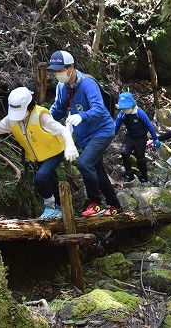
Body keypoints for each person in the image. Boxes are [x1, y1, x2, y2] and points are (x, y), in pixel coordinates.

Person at [0, 87, 79, 219]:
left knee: (41, 178)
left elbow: (62, 130)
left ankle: (50, 207)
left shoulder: (41, 117)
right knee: (51, 180)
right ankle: (61, 209)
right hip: (39, 156)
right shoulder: (12, 120)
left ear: (29, 106)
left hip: (55, 152)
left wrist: (70, 145)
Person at [46, 50, 122, 217]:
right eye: (55, 71)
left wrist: (81, 115)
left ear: (71, 67)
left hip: (102, 131)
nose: (58, 74)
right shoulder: (62, 86)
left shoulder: (87, 83)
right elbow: (58, 109)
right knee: (97, 169)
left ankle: (96, 203)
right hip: (84, 136)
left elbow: (99, 109)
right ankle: (115, 205)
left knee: (84, 163)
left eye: (61, 70)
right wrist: (45, 122)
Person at [114, 91, 160, 183]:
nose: (124, 110)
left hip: (141, 137)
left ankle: (143, 175)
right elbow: (116, 126)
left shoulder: (139, 113)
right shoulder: (122, 114)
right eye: (123, 108)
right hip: (130, 136)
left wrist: (155, 139)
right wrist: (110, 135)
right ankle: (129, 174)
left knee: (140, 157)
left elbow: (149, 125)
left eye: (126, 108)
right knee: (124, 152)